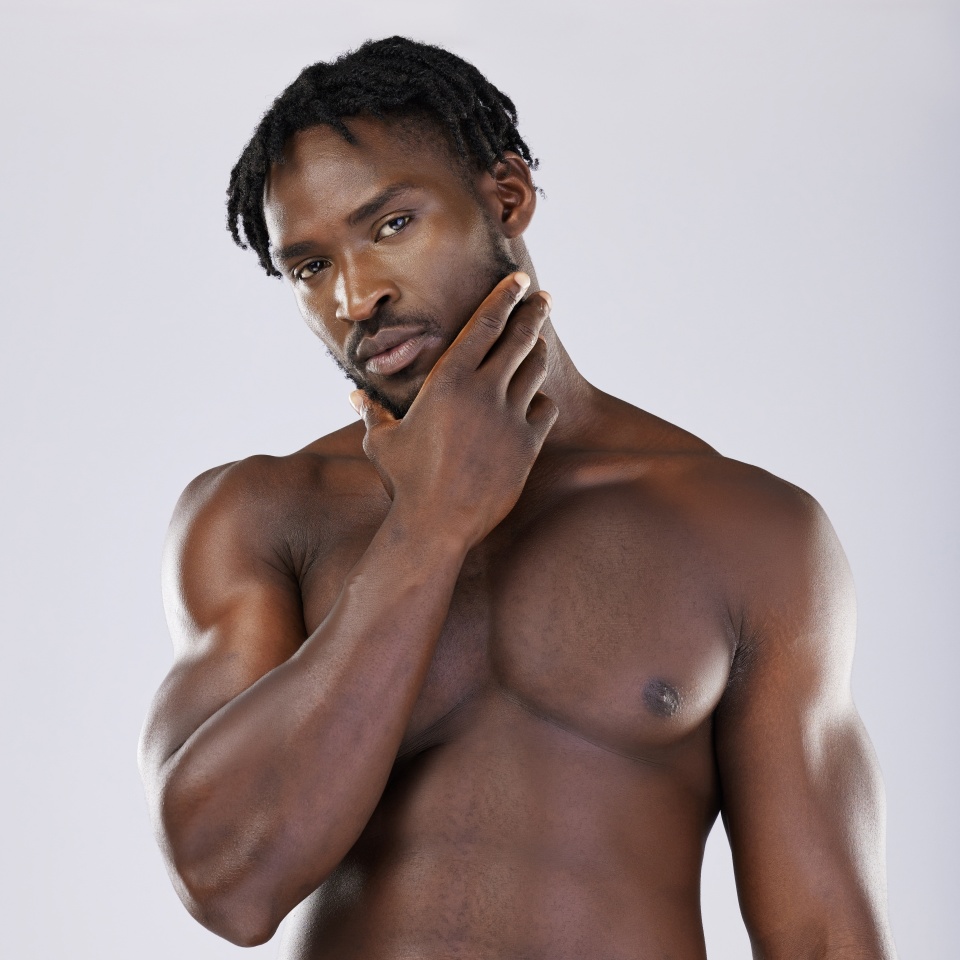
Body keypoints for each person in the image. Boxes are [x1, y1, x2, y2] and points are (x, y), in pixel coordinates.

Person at [138, 36, 898, 959]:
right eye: (308, 267)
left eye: (390, 226)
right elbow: (228, 884)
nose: (356, 295)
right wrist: (427, 530)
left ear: (507, 196)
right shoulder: (262, 516)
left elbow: (824, 938)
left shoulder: (747, 530)